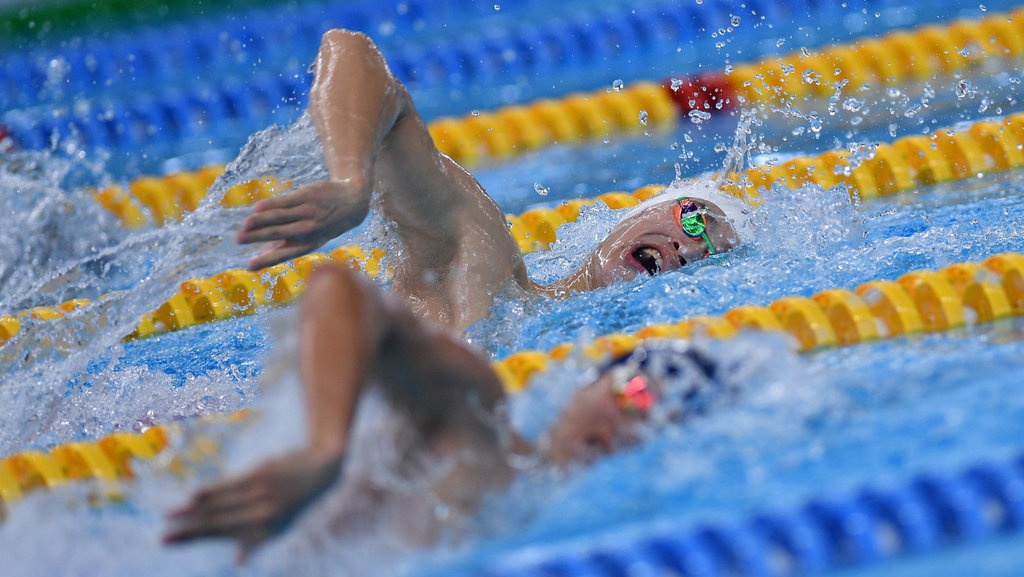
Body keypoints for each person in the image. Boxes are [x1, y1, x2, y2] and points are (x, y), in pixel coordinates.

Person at [164, 264, 730, 561]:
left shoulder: (565, 533)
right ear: (589, 382)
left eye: (658, 422)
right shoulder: (476, 424)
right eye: (635, 392)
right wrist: (323, 450)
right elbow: (341, 291)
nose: (633, 424)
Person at [234, 29, 744, 334]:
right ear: (637, 216)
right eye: (696, 220)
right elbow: (348, 51)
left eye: (709, 260)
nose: (688, 249)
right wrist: (351, 182)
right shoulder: (485, 260)